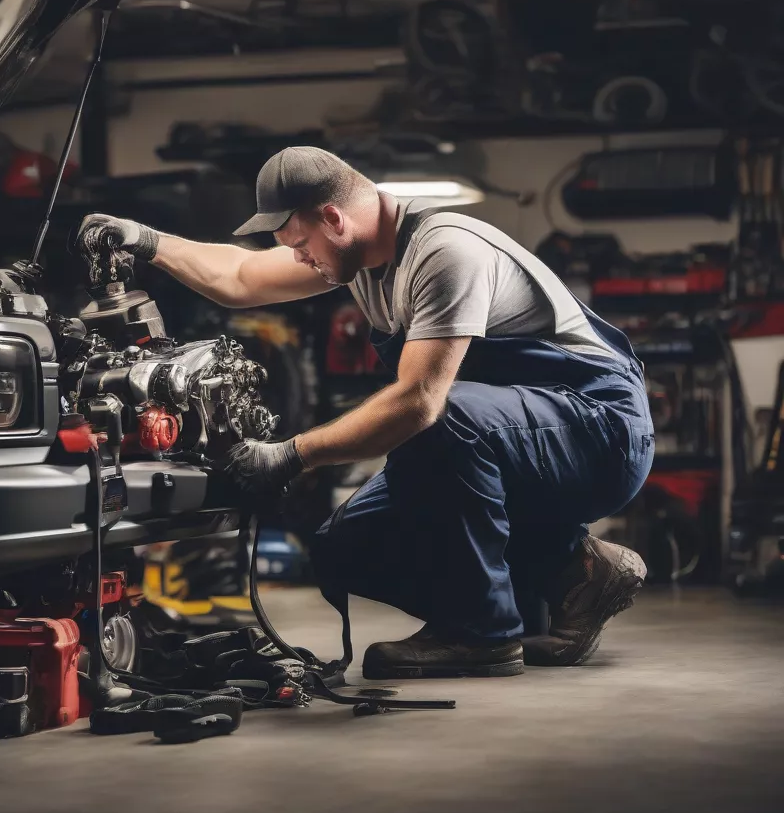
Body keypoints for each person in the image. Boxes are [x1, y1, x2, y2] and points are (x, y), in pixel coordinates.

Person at [79, 147, 654, 678]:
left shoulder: (444, 251)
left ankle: (482, 634)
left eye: (299, 244)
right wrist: (147, 240)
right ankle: (568, 578)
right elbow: (239, 276)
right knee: (345, 547)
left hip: (598, 431)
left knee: (435, 419)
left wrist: (291, 455)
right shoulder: (353, 256)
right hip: (512, 437)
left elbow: (418, 402)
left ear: (334, 219)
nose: (298, 258)